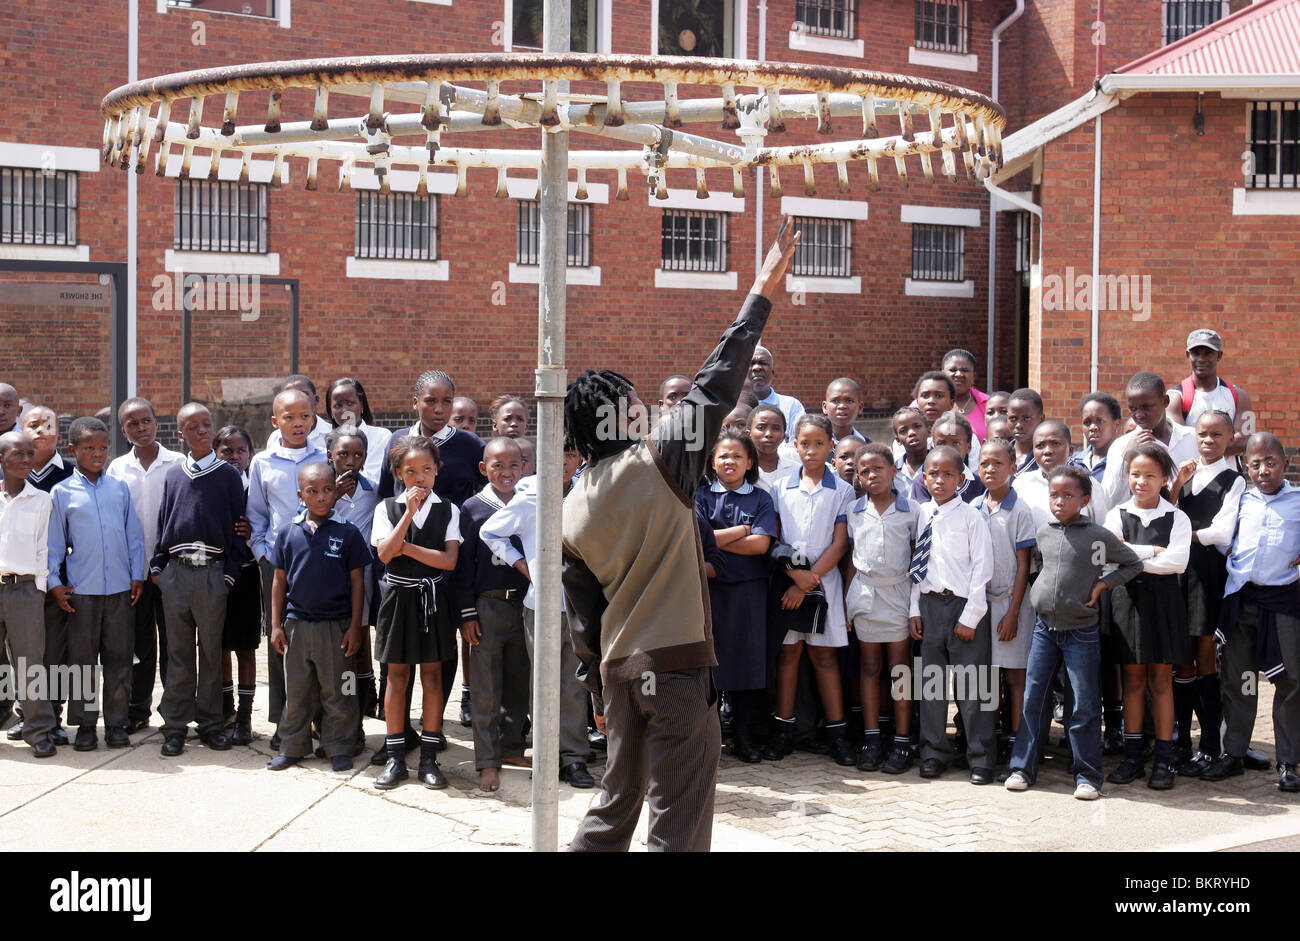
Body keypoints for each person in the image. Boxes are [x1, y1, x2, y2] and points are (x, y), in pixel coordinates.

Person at [561, 217, 798, 852]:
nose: (647, 407)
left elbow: (582, 616)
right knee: (679, 818)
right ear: (622, 415)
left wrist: (596, 689)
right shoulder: (662, 458)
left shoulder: (571, 506)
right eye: (636, 401)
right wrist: (762, 288)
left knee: (614, 805)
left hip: (620, 673)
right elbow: (720, 376)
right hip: (676, 671)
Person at [1003, 465, 1142, 799]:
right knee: (1033, 699)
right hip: (1044, 629)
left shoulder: (1097, 536)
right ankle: (1022, 768)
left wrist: (1102, 585)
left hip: (1081, 631)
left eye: (1068, 495)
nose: (1060, 501)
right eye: (1054, 495)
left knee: (1083, 704)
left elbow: (1132, 563)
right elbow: (1040, 566)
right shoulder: (1044, 533)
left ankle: (1088, 776)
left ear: (1085, 500)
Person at [480, 440, 594, 789]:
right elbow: (490, 531)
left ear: (580, 459)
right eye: (556, 454)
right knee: (543, 683)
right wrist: (522, 565)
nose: (563, 462)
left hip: (580, 604)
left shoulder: (589, 493)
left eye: (571, 455)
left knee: (574, 682)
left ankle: (573, 757)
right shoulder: (530, 497)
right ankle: (545, 755)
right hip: (540, 605)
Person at [1203, 433, 1300, 793]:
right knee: (1240, 677)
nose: (1263, 471)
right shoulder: (1241, 499)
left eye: (1271, 463)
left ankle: (1288, 762)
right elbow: (1223, 536)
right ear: (1246, 466)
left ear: (1285, 465)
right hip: (1241, 600)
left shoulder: (1297, 501)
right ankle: (1234, 752)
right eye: (1255, 464)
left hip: (1282, 604)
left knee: (1290, 681)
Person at [151, 403, 247, 757]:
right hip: (176, 574)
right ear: (181, 434)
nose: (202, 431)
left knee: (210, 653)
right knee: (177, 653)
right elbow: (164, 520)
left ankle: (210, 724)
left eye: (206, 424)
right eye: (193, 427)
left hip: (212, 574)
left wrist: (229, 574)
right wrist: (159, 568)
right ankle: (175, 725)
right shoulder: (174, 474)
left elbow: (239, 528)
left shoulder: (228, 475)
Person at [47, 417, 145, 751]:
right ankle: (86, 725)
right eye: (89, 447)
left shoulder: (119, 488)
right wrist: (54, 583)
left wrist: (137, 574)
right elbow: (54, 545)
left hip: (120, 589)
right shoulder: (62, 493)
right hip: (82, 592)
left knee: (119, 659)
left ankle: (116, 724)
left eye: (103, 447)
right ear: (72, 449)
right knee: (82, 662)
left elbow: (133, 535)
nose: (98, 453)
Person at [266, 463, 369, 772]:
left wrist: (354, 627)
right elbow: (279, 581)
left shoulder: (347, 533)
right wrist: (275, 625)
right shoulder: (288, 532)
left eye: (327, 490)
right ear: (301, 495)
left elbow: (358, 583)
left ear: (335, 492)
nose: (321, 497)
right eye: (313, 491)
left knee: (340, 689)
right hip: (297, 625)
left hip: (336, 627)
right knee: (297, 691)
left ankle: (339, 746)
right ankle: (293, 747)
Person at [371, 435, 460, 790]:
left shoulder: (448, 510)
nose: (419, 477)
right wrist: (408, 514)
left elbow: (448, 560)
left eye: (426, 469)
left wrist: (406, 548)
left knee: (433, 675)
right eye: (410, 471)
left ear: (437, 470)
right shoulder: (387, 508)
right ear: (398, 473)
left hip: (431, 599)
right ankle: (395, 757)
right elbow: (384, 554)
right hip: (398, 599)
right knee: (396, 676)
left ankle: (428, 758)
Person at [766, 414, 856, 766]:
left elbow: (839, 545)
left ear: (831, 446)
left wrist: (808, 582)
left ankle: (837, 735)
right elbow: (774, 539)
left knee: (824, 658)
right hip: (787, 581)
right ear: (795, 445)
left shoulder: (842, 490)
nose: (812, 450)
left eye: (820, 444)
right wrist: (794, 577)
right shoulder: (780, 488)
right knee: (788, 656)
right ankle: (783, 732)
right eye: (805, 443)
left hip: (823, 583)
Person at [1102, 444, 1191, 790]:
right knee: (1133, 680)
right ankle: (1133, 756)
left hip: (1164, 606)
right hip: (1128, 604)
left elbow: (1178, 562)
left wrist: (1133, 558)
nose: (1141, 481)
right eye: (1135, 474)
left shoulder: (1177, 518)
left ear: (1165, 479)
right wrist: (1153, 552)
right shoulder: (1117, 514)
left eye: (1150, 475)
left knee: (1161, 680)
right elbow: (1110, 555)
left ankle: (1164, 760)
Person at [909, 446, 995, 783]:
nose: (940, 480)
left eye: (948, 475)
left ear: (961, 479)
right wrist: (914, 609)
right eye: (933, 474)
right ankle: (933, 753)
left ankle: (980, 757)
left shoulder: (972, 517)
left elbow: (982, 569)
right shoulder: (921, 513)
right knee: (931, 687)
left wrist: (971, 617)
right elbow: (917, 565)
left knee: (974, 687)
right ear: (924, 477)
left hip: (964, 608)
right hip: (930, 606)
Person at [248, 389, 328, 748]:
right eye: (289, 417)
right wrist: (263, 554)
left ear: (314, 418)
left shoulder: (324, 456)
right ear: (275, 421)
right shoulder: (262, 463)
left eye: (305, 417)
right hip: (278, 563)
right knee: (280, 638)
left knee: (321, 638)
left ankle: (321, 719)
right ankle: (285, 721)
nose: (298, 424)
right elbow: (256, 513)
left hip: (320, 562)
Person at [453, 437, 532, 792]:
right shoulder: (472, 509)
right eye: (498, 465)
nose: (506, 472)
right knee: (486, 687)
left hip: (525, 603)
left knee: (519, 682)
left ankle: (511, 748)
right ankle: (487, 761)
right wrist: (467, 613)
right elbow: (463, 567)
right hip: (487, 606)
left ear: (524, 467)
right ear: (484, 468)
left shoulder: (529, 503)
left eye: (514, 465)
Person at [1168, 410, 1244, 776]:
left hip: (1208, 575)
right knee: (1181, 658)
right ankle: (1183, 743)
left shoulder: (1234, 480)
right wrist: (1176, 486)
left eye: (1216, 435)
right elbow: (1164, 517)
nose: (1208, 441)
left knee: (1205, 657)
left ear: (1230, 438)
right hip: (1179, 574)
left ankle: (1211, 746)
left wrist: (1186, 536)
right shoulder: (1185, 474)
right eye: (1202, 434)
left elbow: (1222, 532)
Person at [696, 430, 777, 764]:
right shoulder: (701, 496)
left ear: (750, 463)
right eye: (723, 456)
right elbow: (696, 540)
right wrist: (744, 530)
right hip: (709, 591)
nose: (730, 461)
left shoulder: (761, 499)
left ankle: (742, 736)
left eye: (737, 456)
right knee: (710, 666)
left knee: (747, 663)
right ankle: (710, 738)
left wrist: (719, 538)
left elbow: (761, 545)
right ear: (713, 462)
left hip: (749, 591)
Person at [107, 397, 184, 734]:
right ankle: (137, 709)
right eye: (132, 424)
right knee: (139, 644)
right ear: (123, 430)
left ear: (156, 422)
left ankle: (174, 711)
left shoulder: (177, 463)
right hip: (134, 573)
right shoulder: (117, 469)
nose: (141, 428)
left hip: (171, 570)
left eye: (146, 421)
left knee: (174, 643)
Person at [846, 443, 917, 774]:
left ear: (893, 471)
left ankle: (901, 740)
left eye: (878, 468)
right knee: (870, 666)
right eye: (864, 471)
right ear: (858, 478)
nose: (872, 475)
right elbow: (851, 560)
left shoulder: (911, 510)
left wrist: (915, 606)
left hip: (898, 593)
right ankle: (872, 739)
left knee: (899, 669)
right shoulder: (854, 511)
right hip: (865, 594)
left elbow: (918, 559)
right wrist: (847, 603)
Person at [974, 437, 1035, 766]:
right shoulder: (974, 508)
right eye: (984, 463)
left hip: (1013, 604)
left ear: (1012, 467)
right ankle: (990, 740)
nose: (991, 469)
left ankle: (1019, 744)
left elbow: (1024, 566)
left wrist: (1012, 613)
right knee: (987, 676)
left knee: (1014, 676)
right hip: (980, 605)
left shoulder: (1020, 510)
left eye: (998, 463)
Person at [0, 431, 58, 757]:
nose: (26, 460)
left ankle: (38, 730)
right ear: (1, 459)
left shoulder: (41, 500)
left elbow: (42, 549)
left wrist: (38, 589)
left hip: (24, 590)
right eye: (17, 454)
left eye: (29, 454)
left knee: (30, 664)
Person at [325, 426, 380, 731]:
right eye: (343, 454)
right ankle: (339, 702)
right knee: (335, 637)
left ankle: (365, 692)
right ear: (330, 455)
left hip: (363, 573)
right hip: (329, 573)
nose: (350, 461)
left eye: (358, 455)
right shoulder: (321, 488)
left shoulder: (372, 491)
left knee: (359, 631)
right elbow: (305, 518)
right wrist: (332, 496)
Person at [215, 425, 261, 745]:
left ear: (250, 454)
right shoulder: (211, 484)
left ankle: (244, 717)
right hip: (216, 574)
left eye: (241, 450)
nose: (234, 456)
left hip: (246, 573)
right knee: (219, 645)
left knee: (245, 647)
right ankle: (225, 709)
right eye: (226, 450)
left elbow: (266, 522)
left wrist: (252, 531)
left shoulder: (255, 488)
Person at [1099, 371, 1198, 516]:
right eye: (1133, 408)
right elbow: (1107, 502)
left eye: (1147, 407)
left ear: (1165, 401)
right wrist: (1126, 459)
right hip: (1142, 526)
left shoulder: (1192, 437)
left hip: (1190, 524)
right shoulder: (1122, 446)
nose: (1139, 414)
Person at [1166, 328, 1253, 457]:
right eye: (1196, 353)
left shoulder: (1239, 396)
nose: (1201, 359)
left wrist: (1203, 446)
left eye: (1208, 353)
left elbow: (1246, 440)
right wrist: (1223, 443)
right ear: (1188, 355)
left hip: (1230, 470)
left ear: (1219, 355)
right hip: (1192, 470)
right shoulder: (1174, 398)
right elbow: (1179, 443)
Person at [910, 410, 986, 505]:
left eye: (955, 443)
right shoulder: (922, 483)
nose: (948, 449)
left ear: (968, 447)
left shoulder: (979, 484)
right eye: (941, 443)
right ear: (933, 446)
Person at [326, 377, 392, 484]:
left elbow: (375, 478)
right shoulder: (325, 439)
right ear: (330, 411)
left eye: (350, 403)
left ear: (361, 405)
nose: (345, 410)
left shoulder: (381, 436)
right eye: (337, 406)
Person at [748, 345, 805, 440]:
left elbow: (798, 443)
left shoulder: (792, 406)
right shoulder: (731, 407)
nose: (757, 368)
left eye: (763, 363)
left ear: (772, 373)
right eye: (751, 363)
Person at [266, 375, 332, 453]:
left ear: (316, 400)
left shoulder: (331, 433)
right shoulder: (275, 438)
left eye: (304, 394)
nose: (296, 399)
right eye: (289, 396)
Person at [1071, 391, 1122, 484]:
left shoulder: (1123, 464)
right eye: (1087, 422)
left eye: (1100, 420)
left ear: (1116, 424)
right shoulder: (1073, 462)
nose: (1093, 427)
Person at [749, 404, 798, 494]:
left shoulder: (797, 471)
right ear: (748, 434)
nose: (769, 434)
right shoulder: (741, 471)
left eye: (776, 428)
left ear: (784, 436)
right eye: (761, 428)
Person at [23, 407, 72, 493]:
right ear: (21, 434)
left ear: (59, 438)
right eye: (34, 425)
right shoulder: (6, 471)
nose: (41, 430)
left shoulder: (74, 474)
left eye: (48, 426)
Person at [1007, 388, 1045, 478]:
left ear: (1041, 419)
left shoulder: (1046, 459)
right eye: (1013, 418)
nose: (1019, 425)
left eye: (1026, 418)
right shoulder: (1000, 455)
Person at [891, 407, 928, 496]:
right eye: (903, 431)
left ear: (928, 430)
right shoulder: (892, 472)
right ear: (898, 440)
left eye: (917, 426)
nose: (911, 433)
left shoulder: (941, 466)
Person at [823, 378, 867, 445]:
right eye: (835, 401)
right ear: (825, 407)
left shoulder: (867, 447)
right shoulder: (814, 446)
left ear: (860, 408)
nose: (842, 406)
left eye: (849, 401)